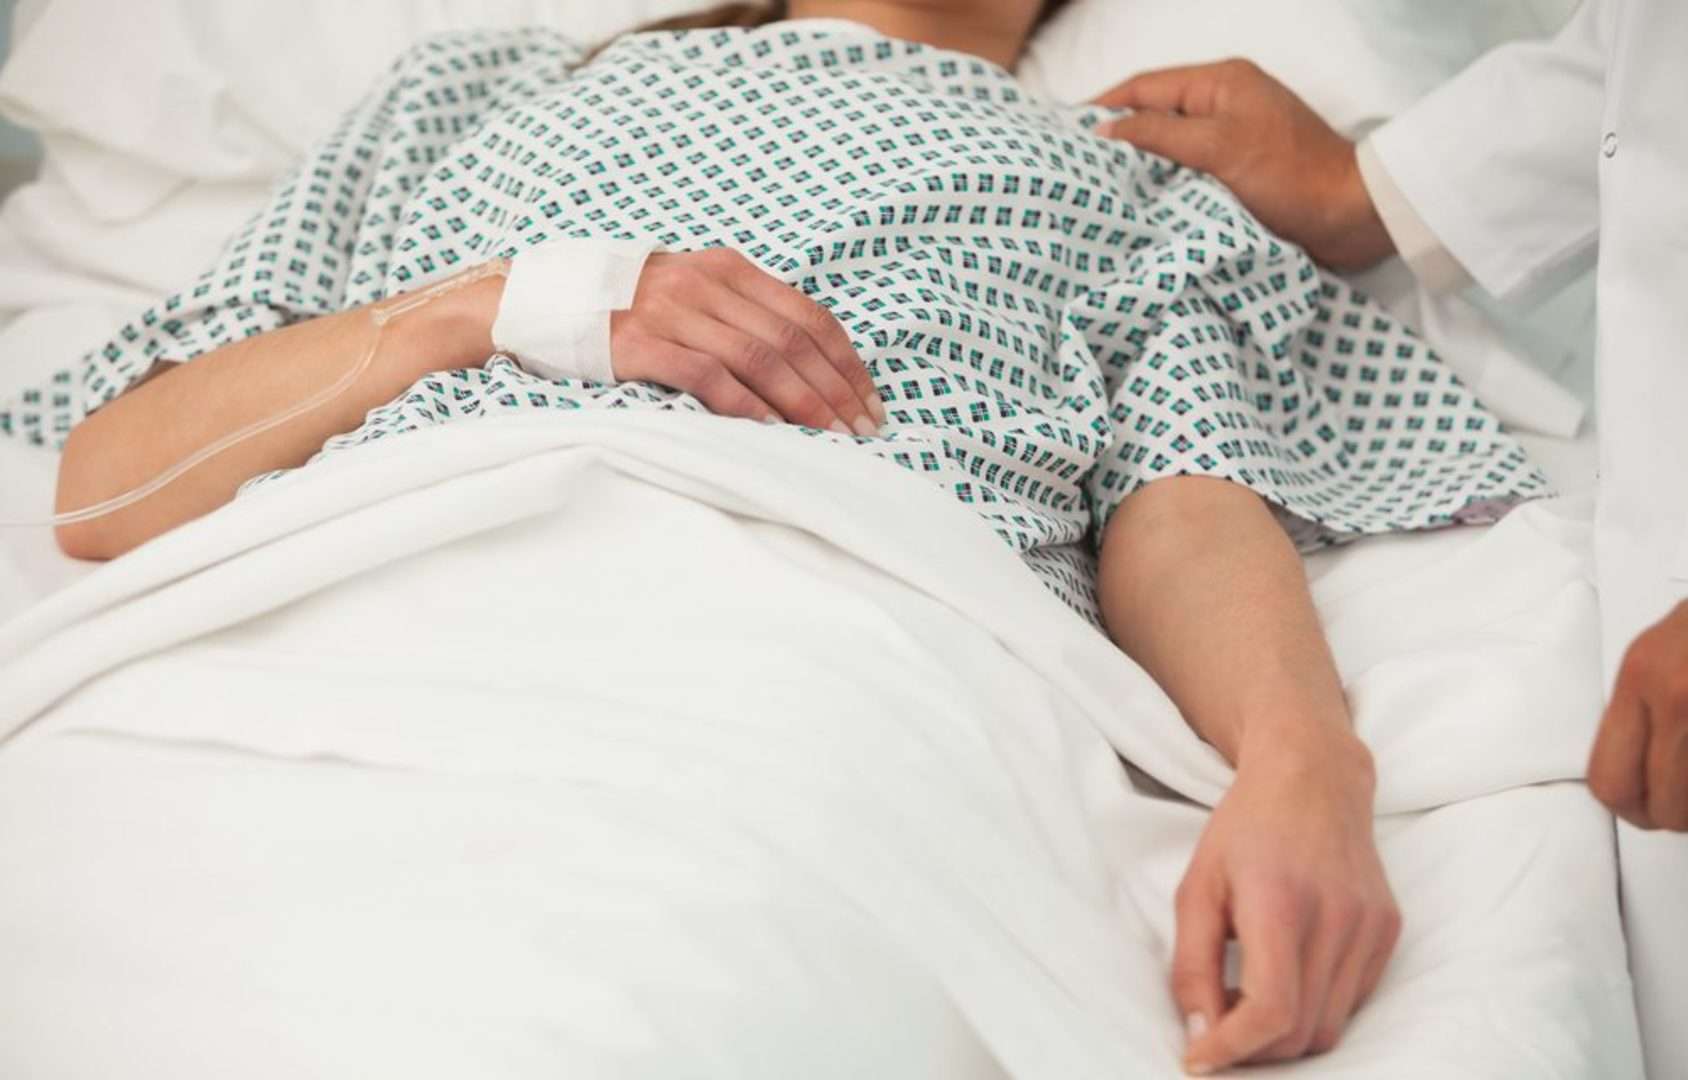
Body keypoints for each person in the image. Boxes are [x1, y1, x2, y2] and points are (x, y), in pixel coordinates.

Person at [1, 1, 1563, 1073]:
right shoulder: (475, 86)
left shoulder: (1135, 181)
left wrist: (1305, 769)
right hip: (334, 598)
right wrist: (501, 306)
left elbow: (1187, 503)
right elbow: (104, 488)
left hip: (820, 641)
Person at [1090, 0, 1687, 1069]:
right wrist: (1363, 188)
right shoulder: (737, 89)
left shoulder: (1111, 162)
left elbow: (1178, 460)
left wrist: (1302, 760)